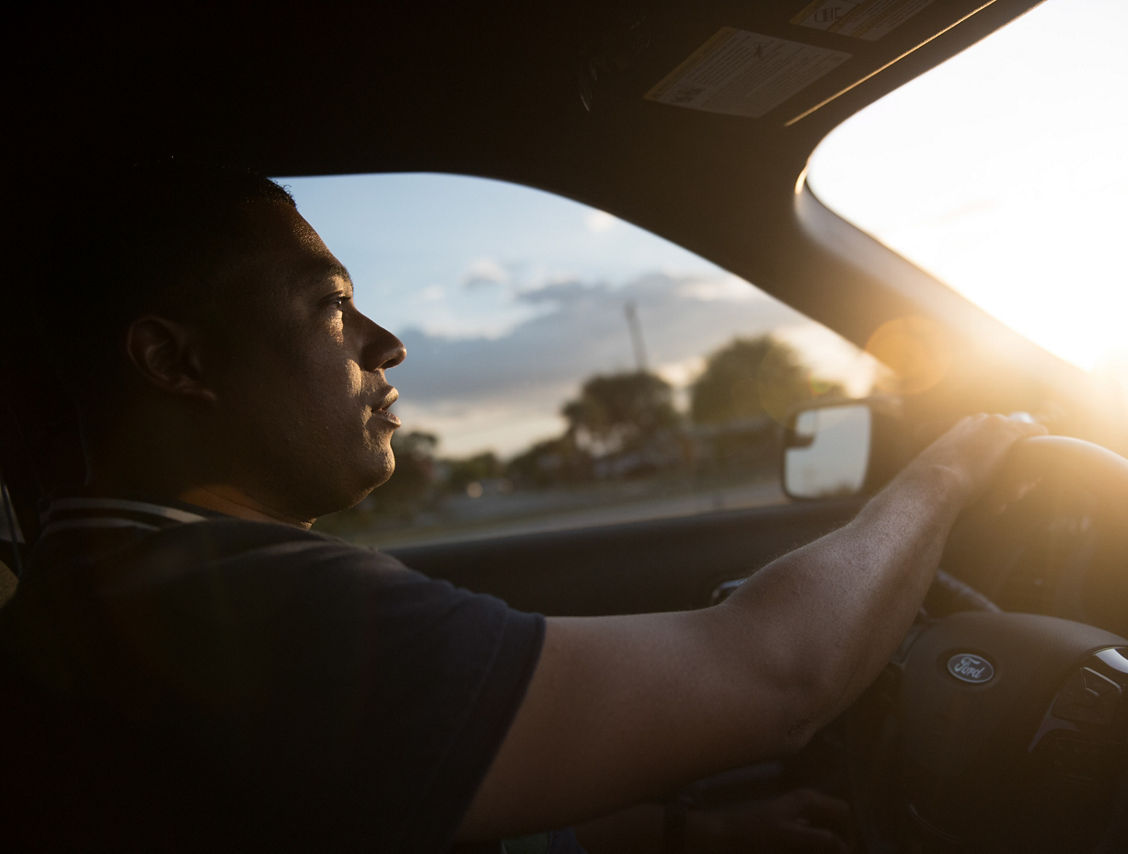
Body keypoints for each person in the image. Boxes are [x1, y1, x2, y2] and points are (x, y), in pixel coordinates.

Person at [0, 161, 1044, 852]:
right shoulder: (238, 611)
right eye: (327, 304)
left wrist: (699, 836)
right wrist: (960, 462)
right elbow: (778, 672)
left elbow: (434, 793)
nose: (385, 341)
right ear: (175, 360)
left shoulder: (106, 587)